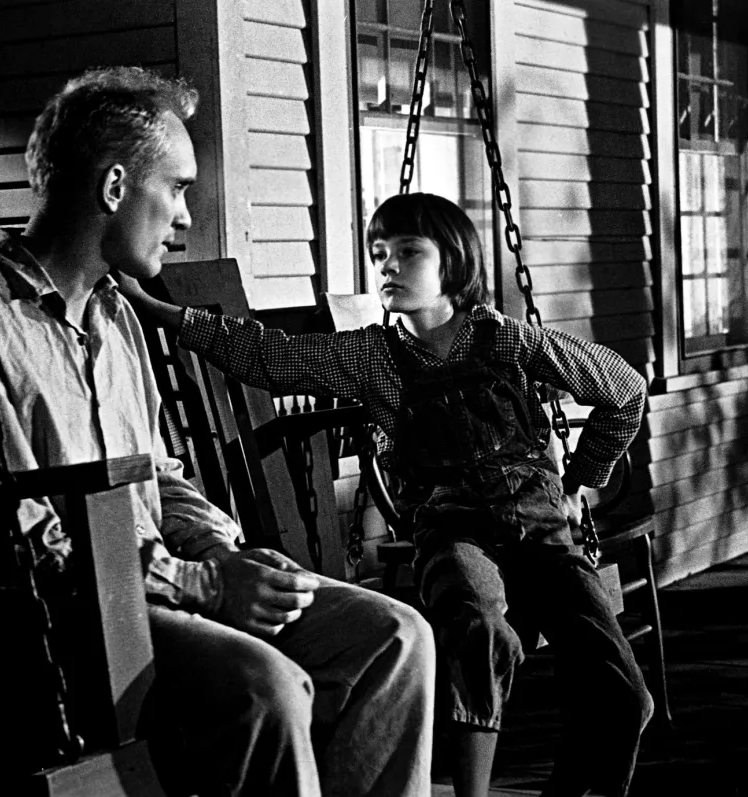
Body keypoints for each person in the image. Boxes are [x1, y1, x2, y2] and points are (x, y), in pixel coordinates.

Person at [0, 67, 435, 797]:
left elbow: (162, 473)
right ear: (116, 188)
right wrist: (206, 585)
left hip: (163, 592)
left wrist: (225, 553)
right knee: (268, 689)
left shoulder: (116, 315)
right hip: (64, 624)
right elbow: (28, 549)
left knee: (395, 637)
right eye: (178, 187)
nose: (187, 215)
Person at [122, 192, 655, 797]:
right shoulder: (373, 357)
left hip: (542, 533)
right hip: (455, 535)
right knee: (480, 626)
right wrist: (159, 311)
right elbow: (270, 357)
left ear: (453, 262)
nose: (388, 267)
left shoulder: (510, 342)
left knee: (624, 697)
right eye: (380, 255)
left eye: (408, 252)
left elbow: (624, 390)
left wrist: (583, 480)